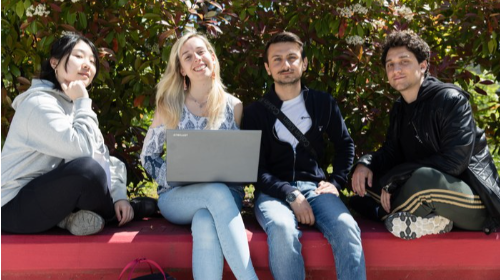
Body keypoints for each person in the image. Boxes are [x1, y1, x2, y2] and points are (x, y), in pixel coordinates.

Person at [350, 30, 500, 240]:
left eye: (404, 62)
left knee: (423, 178)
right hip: (422, 192)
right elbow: (391, 152)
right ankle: (427, 220)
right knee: (363, 182)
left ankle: (380, 213)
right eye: (390, 64)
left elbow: (455, 162)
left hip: (473, 201)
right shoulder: (400, 107)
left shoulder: (451, 100)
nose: (396, 69)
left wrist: (398, 176)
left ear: (423, 65)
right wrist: (365, 164)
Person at [241, 31, 366, 280]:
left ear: (304, 63)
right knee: (282, 228)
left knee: (346, 226)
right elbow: (254, 168)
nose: (285, 65)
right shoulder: (255, 112)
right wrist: (289, 193)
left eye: (292, 58)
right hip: (273, 193)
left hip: (316, 188)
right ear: (267, 68)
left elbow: (345, 145)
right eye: (277, 59)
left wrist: (337, 182)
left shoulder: (323, 103)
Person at [0, 33, 148, 236]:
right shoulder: (38, 104)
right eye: (79, 56)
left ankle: (68, 219)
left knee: (93, 168)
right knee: (86, 170)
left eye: (92, 61)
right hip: (12, 208)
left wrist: (120, 196)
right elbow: (83, 152)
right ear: (54, 62)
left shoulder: (72, 105)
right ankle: (114, 215)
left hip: (45, 199)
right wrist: (82, 102)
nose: (87, 65)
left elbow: (102, 157)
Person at [140, 33, 258, 280]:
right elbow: (148, 157)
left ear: (212, 58)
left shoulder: (234, 106)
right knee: (213, 193)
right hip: (178, 197)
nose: (197, 58)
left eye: (201, 52)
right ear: (181, 69)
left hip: (227, 196)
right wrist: (174, 173)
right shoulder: (169, 105)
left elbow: (238, 158)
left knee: (205, 220)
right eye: (188, 56)